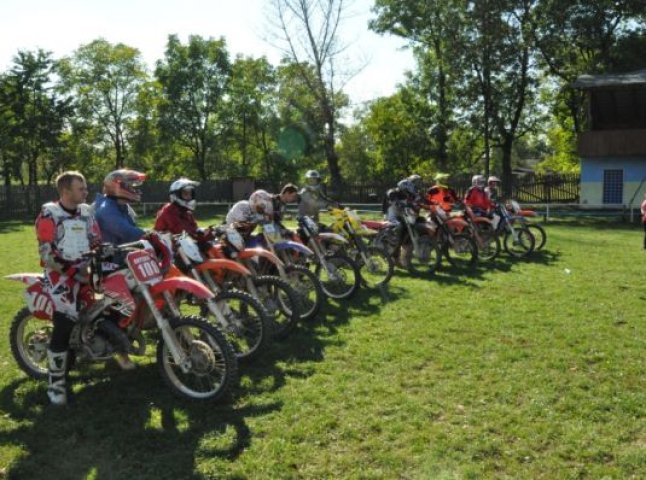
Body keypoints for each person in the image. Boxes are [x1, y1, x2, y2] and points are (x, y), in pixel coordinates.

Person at [35, 171, 101, 405]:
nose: (85, 192)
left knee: (101, 312)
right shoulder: (49, 214)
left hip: (85, 273)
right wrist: (73, 272)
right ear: (66, 191)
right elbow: (46, 253)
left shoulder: (86, 212)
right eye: (80, 188)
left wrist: (98, 255)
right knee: (64, 322)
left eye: (84, 187)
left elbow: (95, 239)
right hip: (60, 277)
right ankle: (56, 385)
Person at [93, 169, 147, 244]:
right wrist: (149, 236)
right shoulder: (106, 210)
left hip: (122, 251)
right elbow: (128, 232)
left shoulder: (122, 207)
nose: (133, 189)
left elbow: (133, 228)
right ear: (116, 186)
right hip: (112, 254)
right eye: (128, 186)